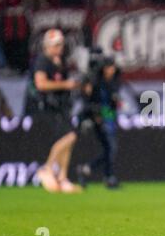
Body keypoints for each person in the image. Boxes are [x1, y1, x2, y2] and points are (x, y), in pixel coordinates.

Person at [26, 29, 81, 193]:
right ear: (47, 46)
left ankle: (62, 178)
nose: (59, 47)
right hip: (48, 107)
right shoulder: (43, 60)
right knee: (70, 136)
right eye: (56, 45)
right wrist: (66, 85)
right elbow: (41, 84)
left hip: (60, 105)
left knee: (68, 141)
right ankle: (47, 168)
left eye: (60, 44)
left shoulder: (60, 61)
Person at [77, 56, 121, 189]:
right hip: (98, 118)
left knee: (110, 149)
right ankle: (107, 176)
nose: (111, 70)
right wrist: (94, 115)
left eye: (112, 67)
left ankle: (89, 170)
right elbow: (87, 101)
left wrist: (115, 102)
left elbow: (112, 102)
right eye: (108, 67)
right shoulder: (95, 82)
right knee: (110, 147)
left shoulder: (113, 82)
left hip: (109, 117)